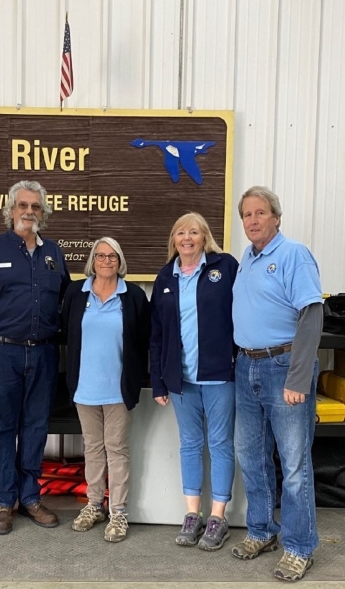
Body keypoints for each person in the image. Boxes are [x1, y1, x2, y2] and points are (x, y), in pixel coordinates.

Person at [0, 179, 71, 535]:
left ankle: (30, 498)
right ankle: (2, 501)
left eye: (35, 207)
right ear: (10, 211)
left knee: (36, 427)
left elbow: (67, 303)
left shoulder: (53, 253)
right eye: (22, 206)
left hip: (43, 354)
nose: (29, 212)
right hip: (1, 354)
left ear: (44, 213)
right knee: (3, 428)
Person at [232, 186, 322, 582]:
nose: (252, 220)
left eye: (260, 213)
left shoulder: (293, 255)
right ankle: (262, 530)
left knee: (295, 464)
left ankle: (300, 547)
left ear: (276, 217)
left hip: (284, 367)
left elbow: (312, 314)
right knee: (250, 455)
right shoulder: (246, 261)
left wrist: (298, 377)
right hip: (246, 366)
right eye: (246, 215)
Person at [150, 212, 238, 551]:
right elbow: (157, 334)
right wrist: (159, 381)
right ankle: (192, 515)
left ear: (205, 238)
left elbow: (241, 313)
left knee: (219, 445)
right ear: (174, 239)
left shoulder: (224, 267)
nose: (187, 238)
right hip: (180, 378)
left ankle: (217, 516)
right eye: (181, 232)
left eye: (194, 232)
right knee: (189, 445)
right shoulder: (165, 277)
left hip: (219, 376)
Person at [61, 237, 150, 542]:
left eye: (112, 256)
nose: (106, 261)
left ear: (120, 260)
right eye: (100, 256)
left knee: (117, 449)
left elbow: (144, 340)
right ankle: (94, 505)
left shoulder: (134, 296)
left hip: (118, 389)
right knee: (92, 448)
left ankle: (119, 512)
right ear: (92, 260)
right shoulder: (76, 293)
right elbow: (65, 332)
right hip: (84, 387)